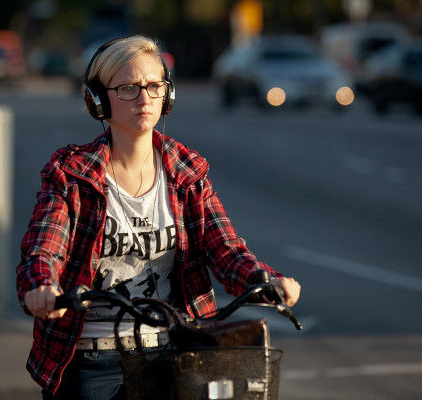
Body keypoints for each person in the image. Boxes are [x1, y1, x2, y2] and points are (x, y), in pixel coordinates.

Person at [16, 35, 302, 400]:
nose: (145, 98)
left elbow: (225, 249)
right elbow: (44, 248)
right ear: (99, 99)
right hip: (93, 361)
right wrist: (43, 288)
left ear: (167, 94)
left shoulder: (187, 171)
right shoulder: (72, 173)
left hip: (175, 352)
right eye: (129, 88)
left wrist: (268, 281)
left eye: (154, 86)